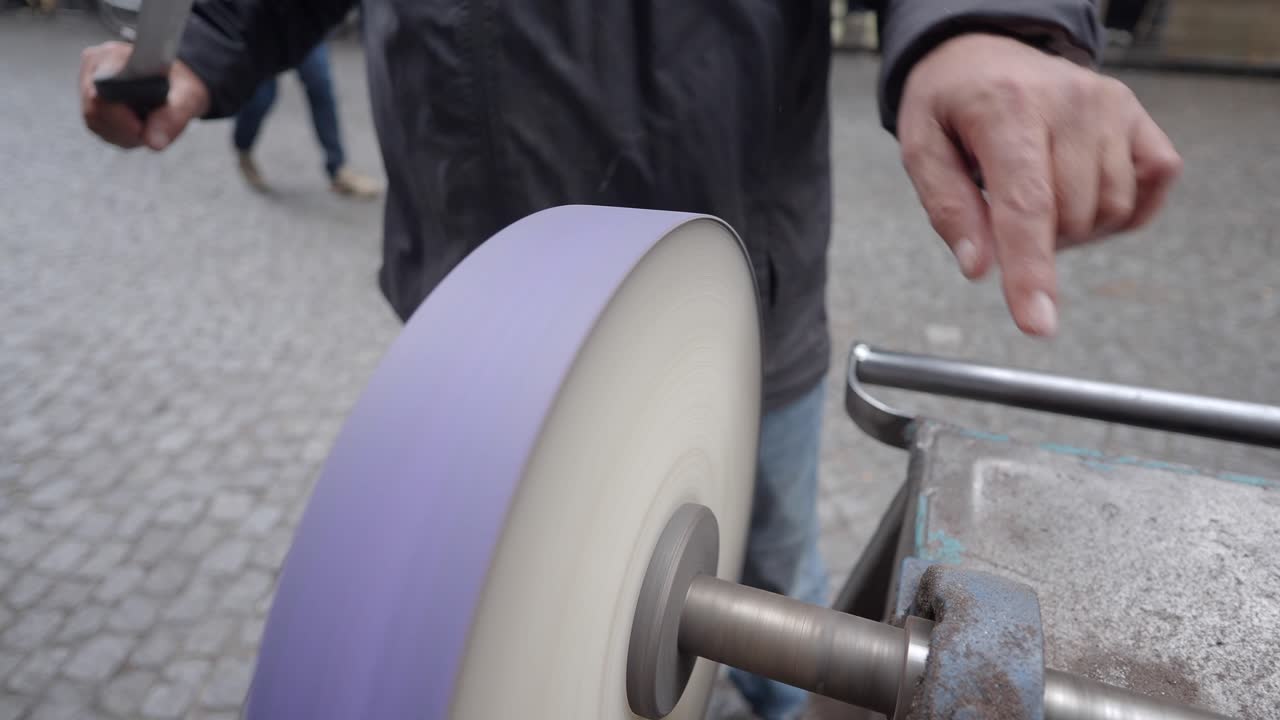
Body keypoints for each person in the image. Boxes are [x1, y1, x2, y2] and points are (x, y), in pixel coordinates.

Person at [78, 3, 1181, 718]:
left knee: (774, 576)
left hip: (715, 311)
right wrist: (202, 50)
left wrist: (979, 23)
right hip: (479, 308)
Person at [233, 41, 381, 197]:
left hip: (303, 28)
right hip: (263, 35)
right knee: (262, 99)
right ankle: (243, 148)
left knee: (320, 85)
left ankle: (338, 168)